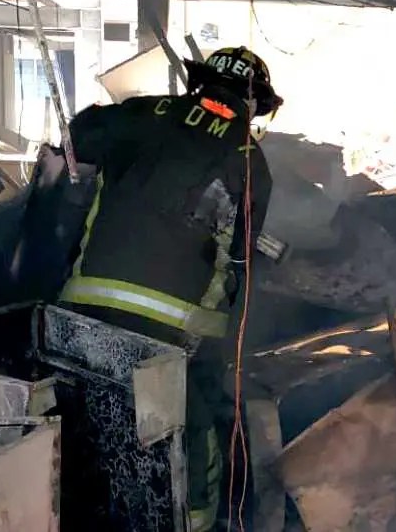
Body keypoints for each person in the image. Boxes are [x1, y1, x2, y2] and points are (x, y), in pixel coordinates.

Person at [57, 46, 281, 532]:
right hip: (175, 326)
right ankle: (193, 523)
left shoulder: (145, 112)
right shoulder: (248, 155)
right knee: (191, 427)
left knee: (85, 421)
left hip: (84, 308)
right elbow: (240, 258)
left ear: (199, 83)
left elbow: (75, 136)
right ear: (255, 104)